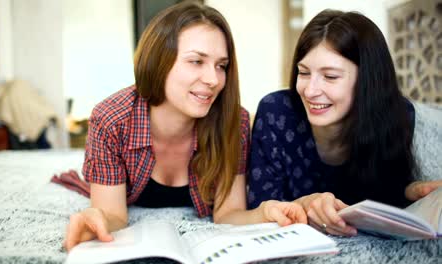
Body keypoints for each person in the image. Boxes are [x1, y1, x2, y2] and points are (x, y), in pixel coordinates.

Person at [63, 2, 306, 251]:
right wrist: (98, 219)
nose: (213, 80)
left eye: (221, 66)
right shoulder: (111, 120)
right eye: (196, 61)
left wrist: (265, 211)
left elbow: (229, 214)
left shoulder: (235, 121)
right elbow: (113, 215)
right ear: (159, 61)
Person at [247, 9, 442, 237]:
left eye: (330, 77)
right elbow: (260, 206)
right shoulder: (276, 112)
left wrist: (410, 191)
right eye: (303, 72)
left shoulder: (398, 113)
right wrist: (304, 204)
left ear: (368, 81)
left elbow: (383, 195)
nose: (310, 91)